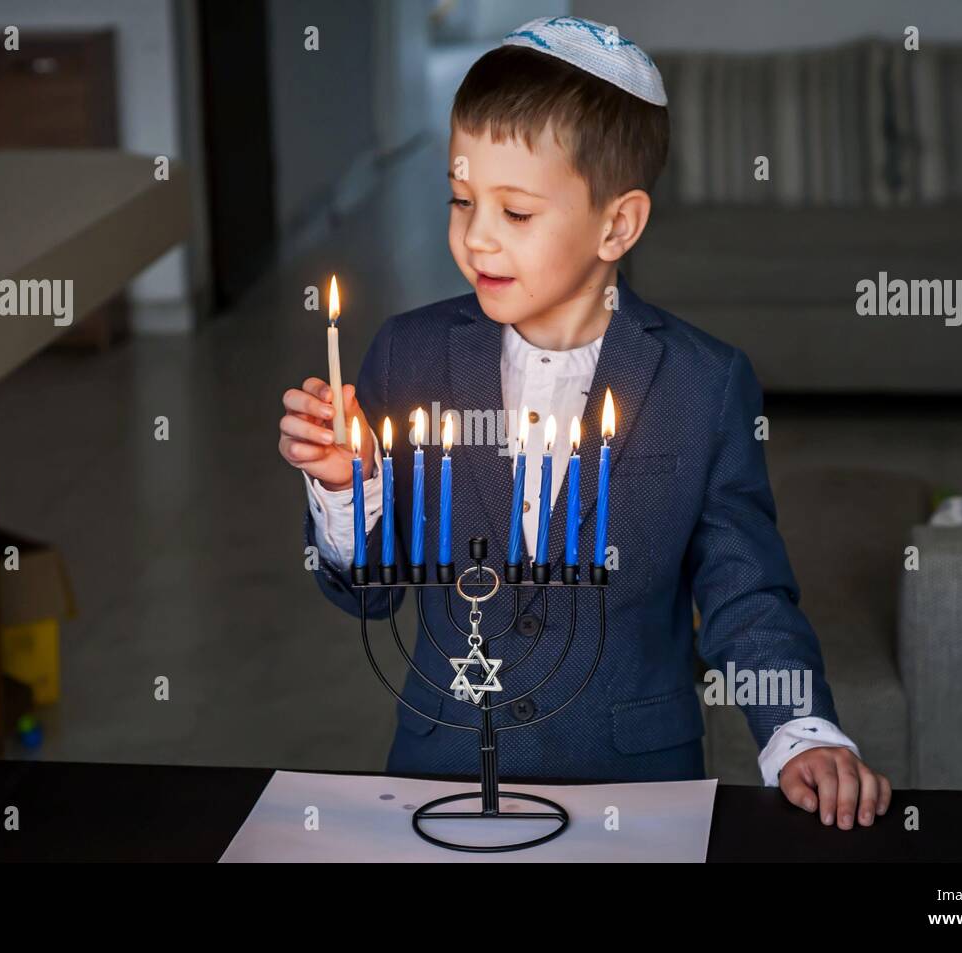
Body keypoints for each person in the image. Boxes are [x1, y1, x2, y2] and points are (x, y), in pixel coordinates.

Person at [279, 16, 890, 829]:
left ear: (617, 225)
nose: (476, 237)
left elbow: (745, 590)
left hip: (633, 792)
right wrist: (346, 492)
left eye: (517, 212)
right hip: (446, 781)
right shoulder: (407, 353)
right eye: (461, 200)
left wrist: (799, 730)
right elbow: (371, 596)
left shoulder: (704, 383)